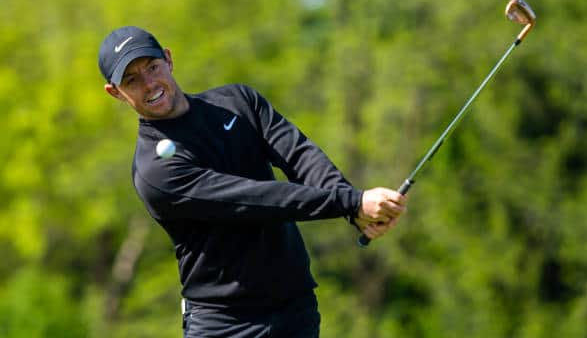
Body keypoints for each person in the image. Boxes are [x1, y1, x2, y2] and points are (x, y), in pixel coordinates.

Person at [98, 26, 407, 338]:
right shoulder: (155, 172)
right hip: (225, 324)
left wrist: (353, 207)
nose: (150, 84)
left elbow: (299, 154)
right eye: (132, 80)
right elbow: (255, 199)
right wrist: (352, 202)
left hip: (295, 309)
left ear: (168, 59)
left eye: (152, 67)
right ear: (115, 92)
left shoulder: (237, 101)